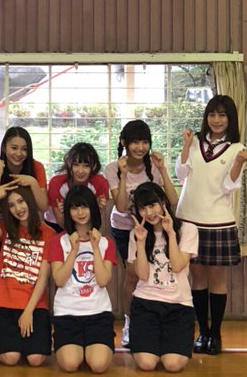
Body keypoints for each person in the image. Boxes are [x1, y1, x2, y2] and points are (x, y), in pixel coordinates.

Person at [175, 94, 247, 355]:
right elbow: (180, 173)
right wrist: (186, 146)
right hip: (189, 219)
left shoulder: (236, 148)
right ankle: (203, 332)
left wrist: (238, 162)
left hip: (219, 221)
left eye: (222, 115)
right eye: (212, 114)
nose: (216, 120)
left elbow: (230, 185)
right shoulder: (195, 141)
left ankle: (216, 334)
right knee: (197, 279)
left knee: (217, 279)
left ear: (230, 119)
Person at [104, 119, 177, 348]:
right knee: (133, 276)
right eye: (135, 142)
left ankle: (154, 320)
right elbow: (122, 207)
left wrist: (162, 169)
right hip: (125, 228)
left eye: (145, 142)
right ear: (124, 142)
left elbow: (172, 200)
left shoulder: (153, 166)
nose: (140, 147)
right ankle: (129, 322)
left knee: (153, 273)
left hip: (153, 228)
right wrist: (124, 175)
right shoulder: (112, 168)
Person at [0, 182, 55, 366]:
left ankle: (25, 343)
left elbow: (43, 278)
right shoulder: (6, 228)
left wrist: (29, 311)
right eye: (11, 205)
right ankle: (15, 344)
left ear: (29, 201)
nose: (18, 208)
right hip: (4, 303)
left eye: (21, 201)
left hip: (34, 305)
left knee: (36, 359)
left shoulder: (49, 234)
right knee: (11, 358)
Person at [128, 182, 198, 373]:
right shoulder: (136, 234)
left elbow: (177, 266)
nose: (149, 213)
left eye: (153, 205)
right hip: (145, 304)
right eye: (143, 208)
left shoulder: (188, 229)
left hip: (179, 306)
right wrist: (140, 242)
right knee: (147, 363)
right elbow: (142, 275)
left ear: (163, 202)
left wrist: (170, 234)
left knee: (172, 365)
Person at [48, 185, 116, 373]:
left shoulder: (105, 243)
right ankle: (79, 349)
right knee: (70, 365)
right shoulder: (58, 241)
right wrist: (74, 250)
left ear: (92, 208)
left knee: (99, 365)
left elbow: (102, 281)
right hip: (67, 313)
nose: (80, 212)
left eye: (84, 206)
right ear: (68, 212)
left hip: (98, 313)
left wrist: (95, 248)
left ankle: (89, 349)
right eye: (74, 208)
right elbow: (59, 280)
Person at [0, 126, 48, 218]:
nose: (19, 153)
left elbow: (43, 207)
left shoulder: (37, 167)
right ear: (4, 147)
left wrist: (33, 182)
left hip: (25, 219)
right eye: (14, 148)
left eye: (24, 149)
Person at [46, 142, 109, 232]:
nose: (80, 171)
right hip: (56, 225)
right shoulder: (56, 182)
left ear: (94, 166)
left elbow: (98, 220)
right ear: (69, 164)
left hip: (86, 226)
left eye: (86, 166)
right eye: (76, 164)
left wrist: (97, 207)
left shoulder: (100, 183)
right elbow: (60, 220)